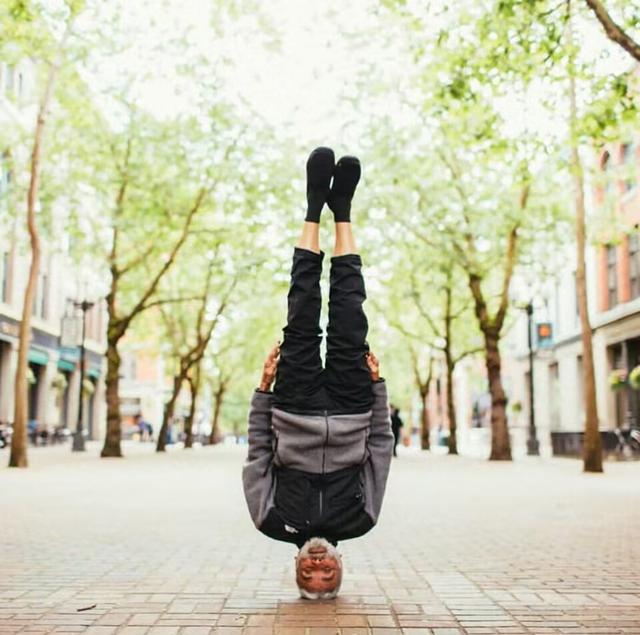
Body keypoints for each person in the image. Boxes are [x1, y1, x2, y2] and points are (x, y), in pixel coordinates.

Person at [242, 147, 394, 600]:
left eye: (308, 577)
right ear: (340, 565)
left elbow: (257, 452)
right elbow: (380, 450)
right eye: (328, 576)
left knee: (302, 309)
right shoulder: (362, 520)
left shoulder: (269, 520)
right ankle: (343, 211)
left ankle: (314, 206)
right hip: (353, 406)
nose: (318, 568)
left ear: (296, 567)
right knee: (350, 308)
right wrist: (378, 389)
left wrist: (264, 388)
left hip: (293, 404)